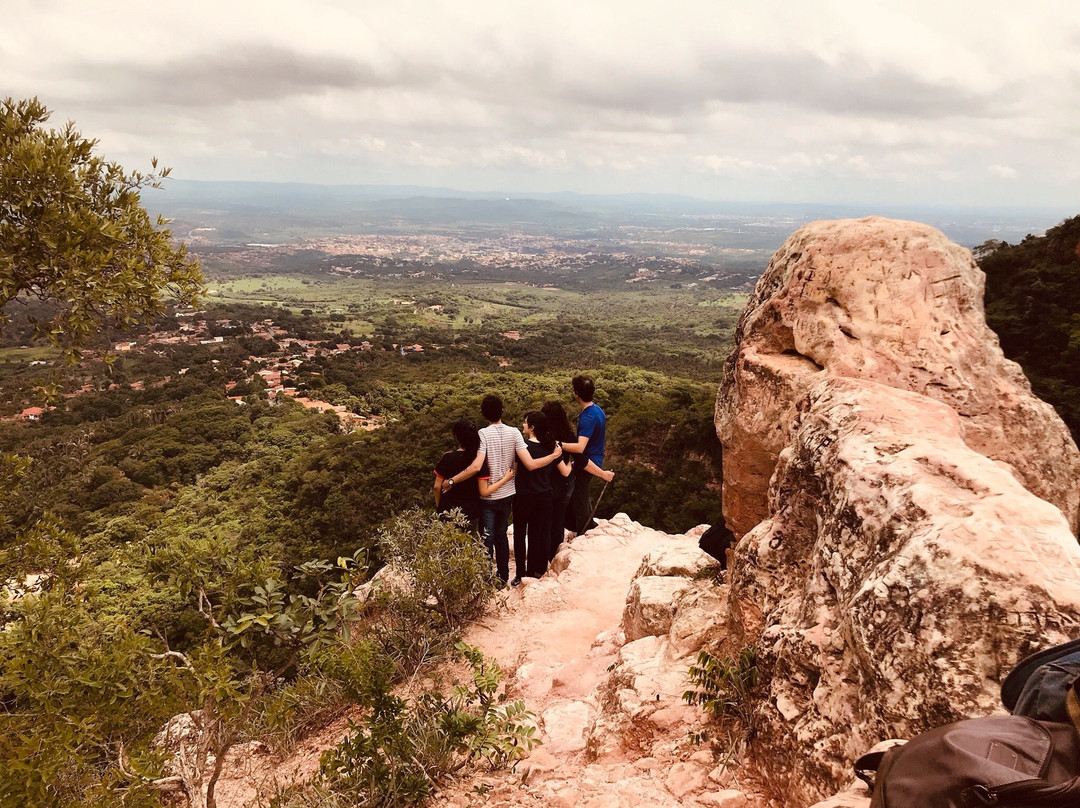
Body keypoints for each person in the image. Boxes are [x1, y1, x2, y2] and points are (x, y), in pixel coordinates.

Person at [441, 394, 560, 585]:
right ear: (502, 410)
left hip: (489, 495)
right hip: (508, 493)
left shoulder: (483, 434)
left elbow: (475, 466)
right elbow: (529, 463)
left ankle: (488, 579)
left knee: (488, 538)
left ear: (484, 413)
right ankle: (504, 576)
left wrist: (451, 482)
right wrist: (554, 456)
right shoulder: (514, 432)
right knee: (502, 536)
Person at [433, 419, 512, 533]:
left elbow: (437, 487)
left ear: (456, 437)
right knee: (468, 546)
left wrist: (439, 506)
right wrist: (505, 479)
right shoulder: (478, 460)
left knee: (448, 547)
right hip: (471, 512)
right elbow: (483, 491)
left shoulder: (448, 458)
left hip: (447, 511)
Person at [511, 411, 560, 586]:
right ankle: (533, 571)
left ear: (532, 428)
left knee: (519, 534)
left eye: (525, 423)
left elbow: (522, 468)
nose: (523, 425)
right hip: (544, 494)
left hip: (524, 495)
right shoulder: (551, 446)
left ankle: (520, 574)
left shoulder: (523, 446)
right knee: (536, 534)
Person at [560, 375, 614, 534]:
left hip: (588, 461)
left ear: (576, 394)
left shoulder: (588, 417)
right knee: (579, 495)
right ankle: (585, 525)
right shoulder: (597, 410)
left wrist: (559, 445)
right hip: (595, 457)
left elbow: (580, 448)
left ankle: (585, 531)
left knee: (579, 499)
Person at [541, 400, 576, 561]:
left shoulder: (545, 438)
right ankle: (555, 557)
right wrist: (570, 463)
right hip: (563, 483)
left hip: (546, 483)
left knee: (545, 522)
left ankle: (543, 558)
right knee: (558, 522)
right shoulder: (568, 435)